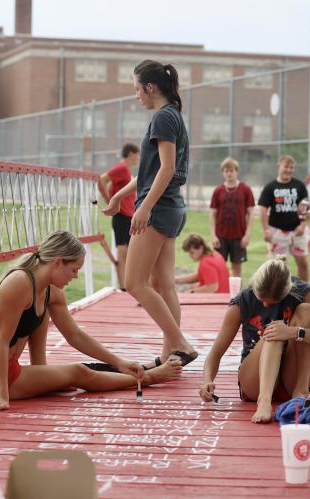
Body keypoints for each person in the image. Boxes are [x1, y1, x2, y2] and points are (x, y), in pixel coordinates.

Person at [0, 230, 182, 411]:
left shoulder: (51, 290)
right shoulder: (19, 283)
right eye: (74, 269)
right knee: (80, 372)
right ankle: (149, 377)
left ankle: (42, 373)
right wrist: (3, 396)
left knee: (43, 315)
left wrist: (119, 362)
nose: (75, 276)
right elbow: (1, 342)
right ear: (58, 262)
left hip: (3, 365)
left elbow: (75, 335)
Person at [103, 60, 197, 370]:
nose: (136, 96)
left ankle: (181, 343)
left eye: (136, 90)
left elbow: (167, 169)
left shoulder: (163, 118)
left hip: (159, 209)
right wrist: (119, 196)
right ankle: (171, 354)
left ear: (150, 88)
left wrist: (143, 207)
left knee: (134, 283)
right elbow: (150, 172)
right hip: (170, 207)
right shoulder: (173, 117)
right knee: (164, 285)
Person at [198, 256, 310, 423]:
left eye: (273, 302)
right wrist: (207, 380)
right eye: (261, 299)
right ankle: (264, 402)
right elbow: (215, 353)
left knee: (306, 311)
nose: (266, 306)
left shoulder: (303, 293)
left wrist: (294, 332)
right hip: (256, 381)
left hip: (292, 376)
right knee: (273, 331)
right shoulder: (242, 301)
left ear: (287, 291)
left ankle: (299, 393)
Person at [258, 155, 310, 281]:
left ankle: (304, 293)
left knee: (302, 263)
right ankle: (279, 294)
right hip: (278, 232)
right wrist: (266, 230)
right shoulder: (270, 187)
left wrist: (302, 226)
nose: (289, 170)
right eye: (286, 166)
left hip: (297, 231)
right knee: (278, 266)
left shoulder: (299, 186)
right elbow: (263, 209)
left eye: (291, 167)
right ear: (279, 167)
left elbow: (305, 206)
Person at [98, 143, 140, 290]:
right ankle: (124, 287)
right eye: (137, 154)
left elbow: (112, 186)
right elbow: (102, 179)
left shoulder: (127, 171)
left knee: (129, 252)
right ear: (130, 154)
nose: (138, 157)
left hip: (129, 214)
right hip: (121, 215)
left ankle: (128, 285)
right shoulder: (122, 168)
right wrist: (109, 202)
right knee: (123, 252)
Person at [210, 157, 255, 278]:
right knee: (219, 267)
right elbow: (213, 214)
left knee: (237, 268)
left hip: (238, 236)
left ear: (237, 171)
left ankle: (237, 295)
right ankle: (221, 294)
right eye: (226, 171)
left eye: (231, 170)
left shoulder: (245, 189)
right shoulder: (218, 191)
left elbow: (251, 213)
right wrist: (213, 235)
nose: (229, 173)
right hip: (221, 236)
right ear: (223, 173)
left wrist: (247, 234)